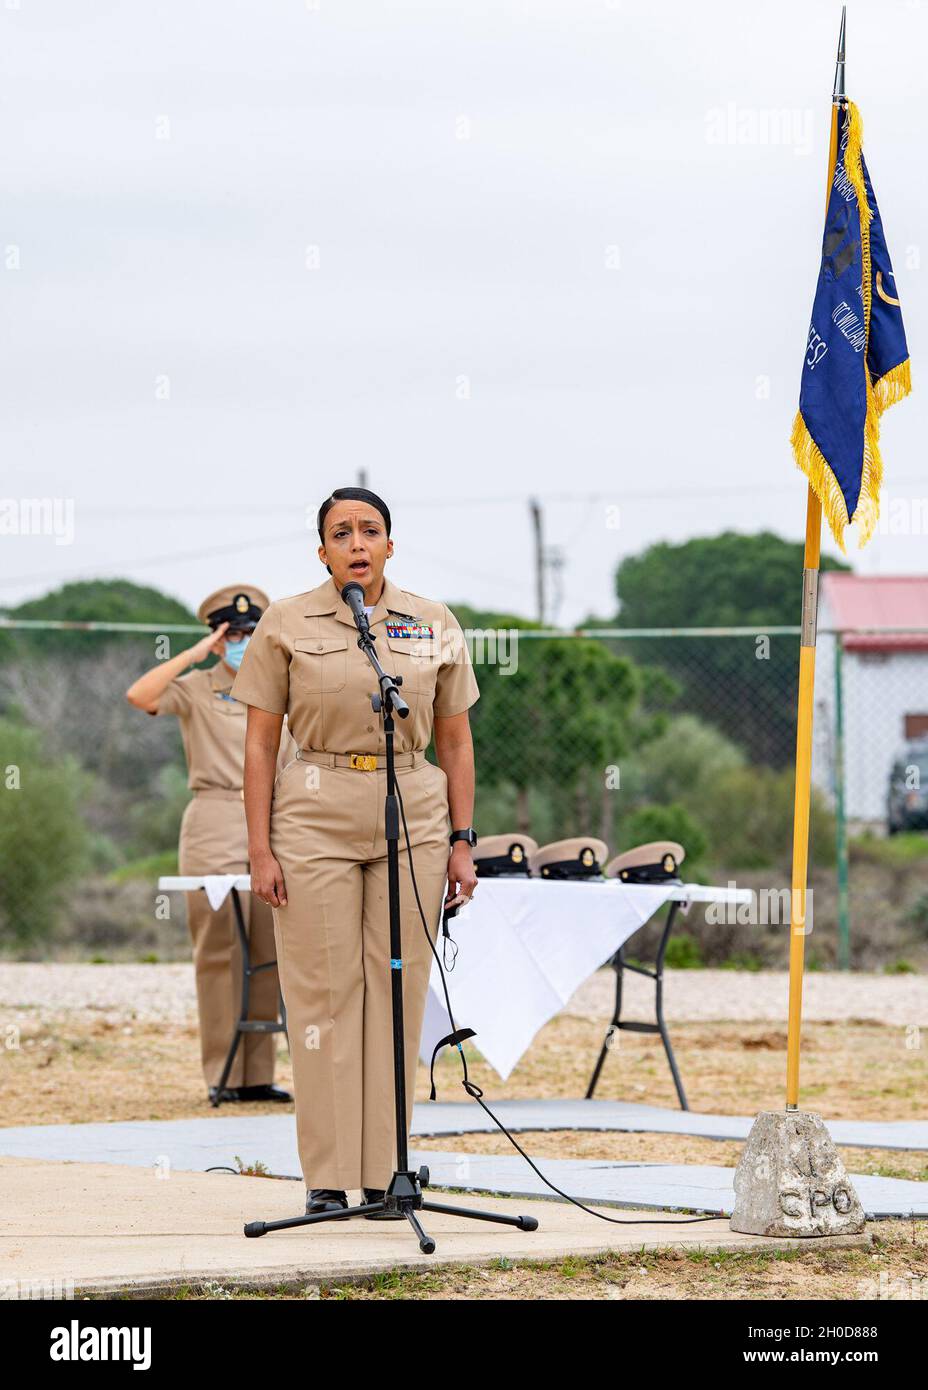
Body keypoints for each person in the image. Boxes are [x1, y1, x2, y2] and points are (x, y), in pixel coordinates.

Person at [229, 488, 479, 1217]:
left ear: (391, 546)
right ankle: (330, 1180)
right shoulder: (285, 622)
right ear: (323, 552)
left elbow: (457, 740)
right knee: (325, 994)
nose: (358, 543)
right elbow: (258, 741)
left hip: (413, 809)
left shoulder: (431, 622)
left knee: (395, 992)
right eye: (342, 532)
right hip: (313, 807)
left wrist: (464, 842)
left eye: (371, 530)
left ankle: (387, 1177)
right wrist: (258, 847)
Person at [126, 585, 294, 1104]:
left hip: (274, 814)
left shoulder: (284, 686)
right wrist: (196, 654)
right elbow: (142, 696)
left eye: (251, 633)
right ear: (219, 639)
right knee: (220, 944)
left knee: (272, 943)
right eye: (234, 634)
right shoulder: (199, 686)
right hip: (215, 814)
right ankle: (224, 1073)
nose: (244, 641)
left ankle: (259, 1075)